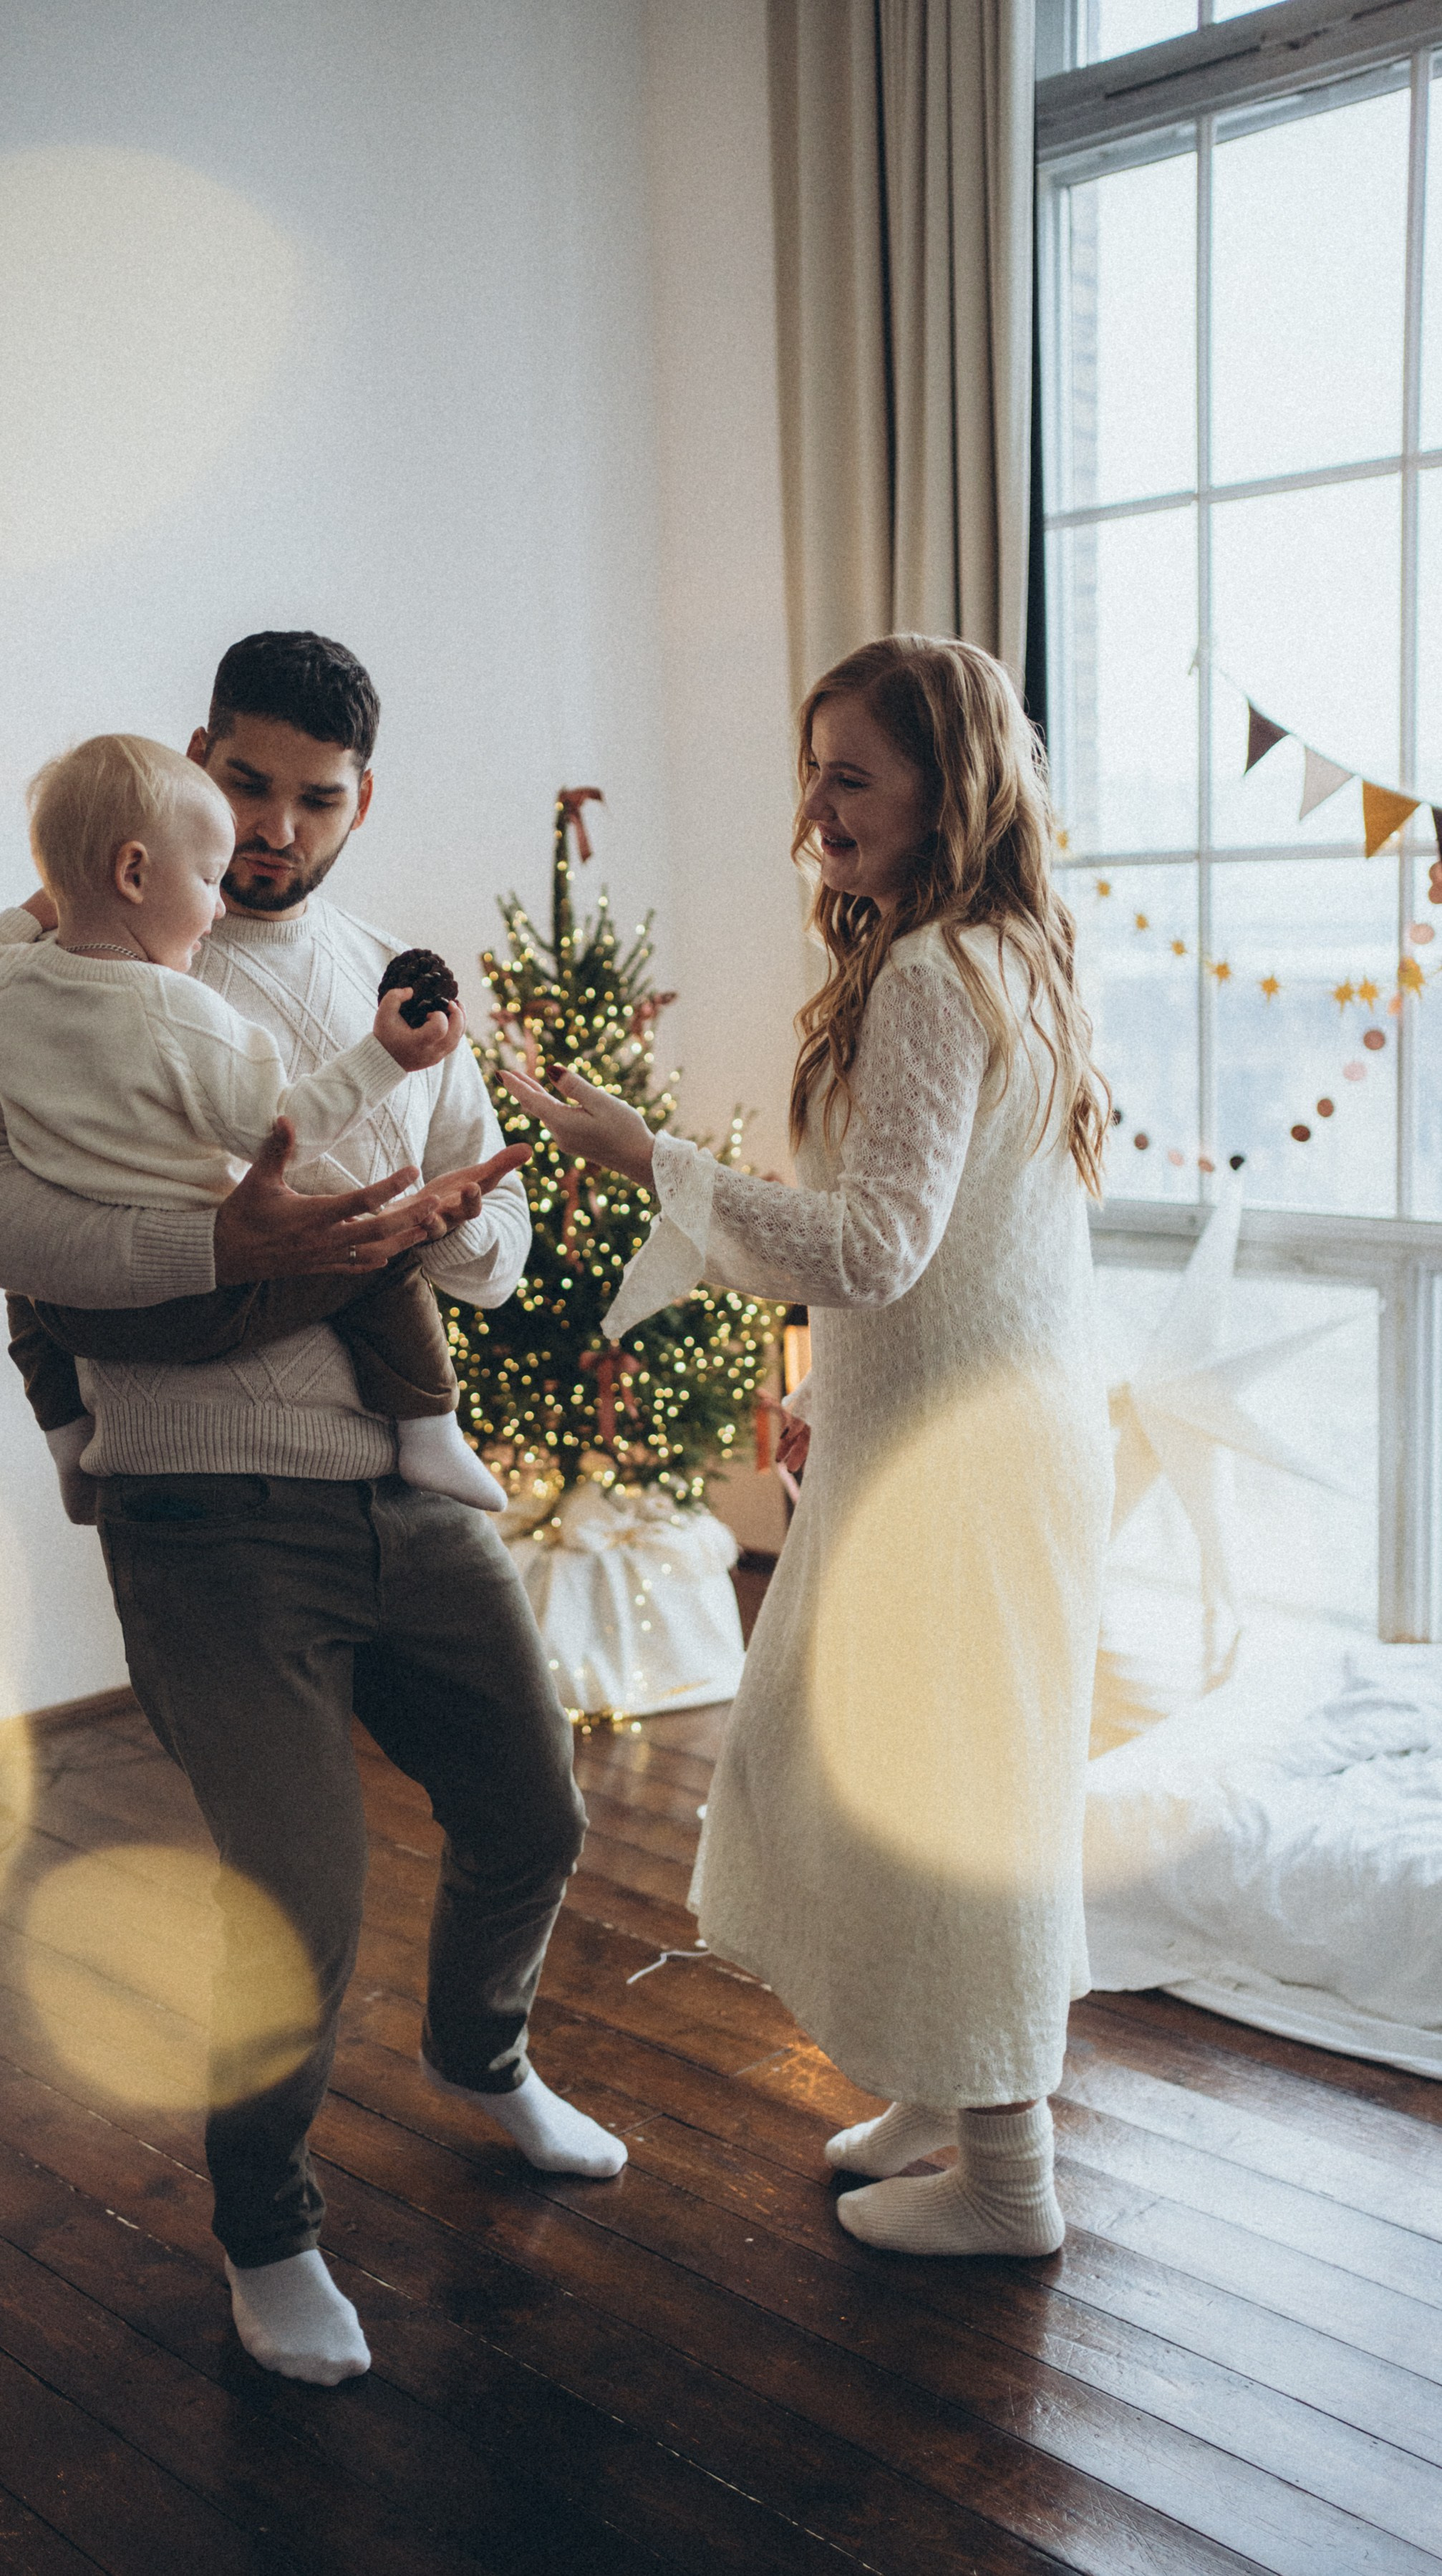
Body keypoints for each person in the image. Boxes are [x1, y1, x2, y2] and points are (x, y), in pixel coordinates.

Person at [0, 631, 625, 2388]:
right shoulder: (65, 955)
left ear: (361, 799)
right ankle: (267, 2224)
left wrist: (440, 1225)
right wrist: (208, 1245)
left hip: (406, 1482)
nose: (277, 825)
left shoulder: (390, 974)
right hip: (204, 1511)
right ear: (192, 761)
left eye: (316, 796)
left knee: (534, 1811)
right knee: (294, 1899)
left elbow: (498, 1246)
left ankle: (481, 2050)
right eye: (247, 782)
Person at [503, 634, 1113, 2261]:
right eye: (814, 766)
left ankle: (1007, 2178)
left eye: (853, 772)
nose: (817, 803)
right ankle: (936, 2088)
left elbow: (872, 1246)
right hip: (962, 1436)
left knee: (941, 1790)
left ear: (943, 788)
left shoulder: (929, 975)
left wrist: (647, 1157)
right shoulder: (1011, 952)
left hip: (958, 1470)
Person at [0, 730, 505, 1514]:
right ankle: (431, 1435)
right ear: (134, 871)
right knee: (375, 1251)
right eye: (207, 877)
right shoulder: (181, 1012)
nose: (220, 902)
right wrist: (383, 1058)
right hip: (194, 1310)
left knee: (22, 1292)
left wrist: (47, 900)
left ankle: (69, 1446)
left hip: (71, 1320)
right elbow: (282, 1129)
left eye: (319, 798)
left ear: (357, 798)